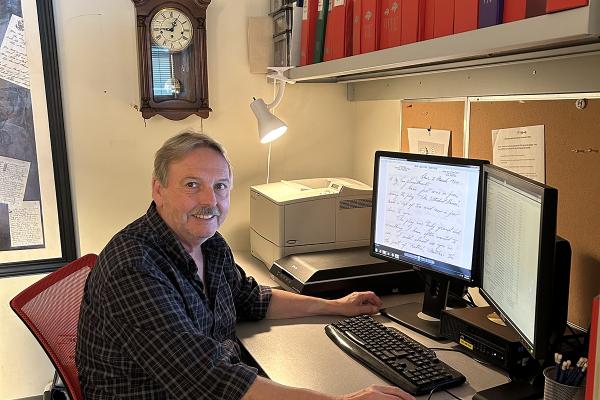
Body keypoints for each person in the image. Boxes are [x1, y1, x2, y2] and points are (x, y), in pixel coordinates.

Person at [76, 131, 414, 400]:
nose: (210, 201)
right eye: (192, 185)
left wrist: (335, 306)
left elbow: (252, 299)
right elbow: (206, 381)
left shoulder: (211, 246)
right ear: (158, 190)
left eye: (220, 187)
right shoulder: (134, 268)